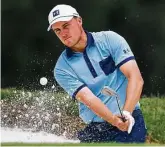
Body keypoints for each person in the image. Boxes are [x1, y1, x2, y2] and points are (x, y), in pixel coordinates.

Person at [47, 4, 147, 143]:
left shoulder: (110, 40)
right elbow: (88, 98)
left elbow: (136, 78)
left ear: (79, 21)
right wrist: (114, 120)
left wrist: (126, 114)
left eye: (66, 26)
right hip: (97, 128)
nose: (63, 34)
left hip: (130, 119)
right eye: (57, 30)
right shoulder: (61, 68)